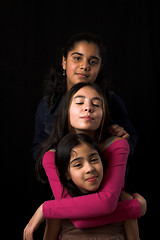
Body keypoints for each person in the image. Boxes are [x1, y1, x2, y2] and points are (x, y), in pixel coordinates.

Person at [24, 83, 146, 239]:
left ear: (103, 114)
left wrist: (46, 208)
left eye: (96, 104)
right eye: (80, 102)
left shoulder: (117, 145)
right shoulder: (52, 157)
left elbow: (107, 203)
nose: (88, 108)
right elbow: (79, 220)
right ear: (66, 110)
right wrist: (133, 208)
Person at [32, 32, 138, 161]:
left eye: (93, 62)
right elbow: (38, 151)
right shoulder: (48, 105)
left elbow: (131, 141)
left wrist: (120, 140)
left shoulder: (111, 101)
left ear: (100, 67)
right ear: (64, 62)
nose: (85, 66)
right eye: (77, 58)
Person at [42, 132, 140, 240]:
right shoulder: (58, 208)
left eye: (94, 160)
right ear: (67, 174)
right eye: (78, 165)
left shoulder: (123, 200)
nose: (90, 169)